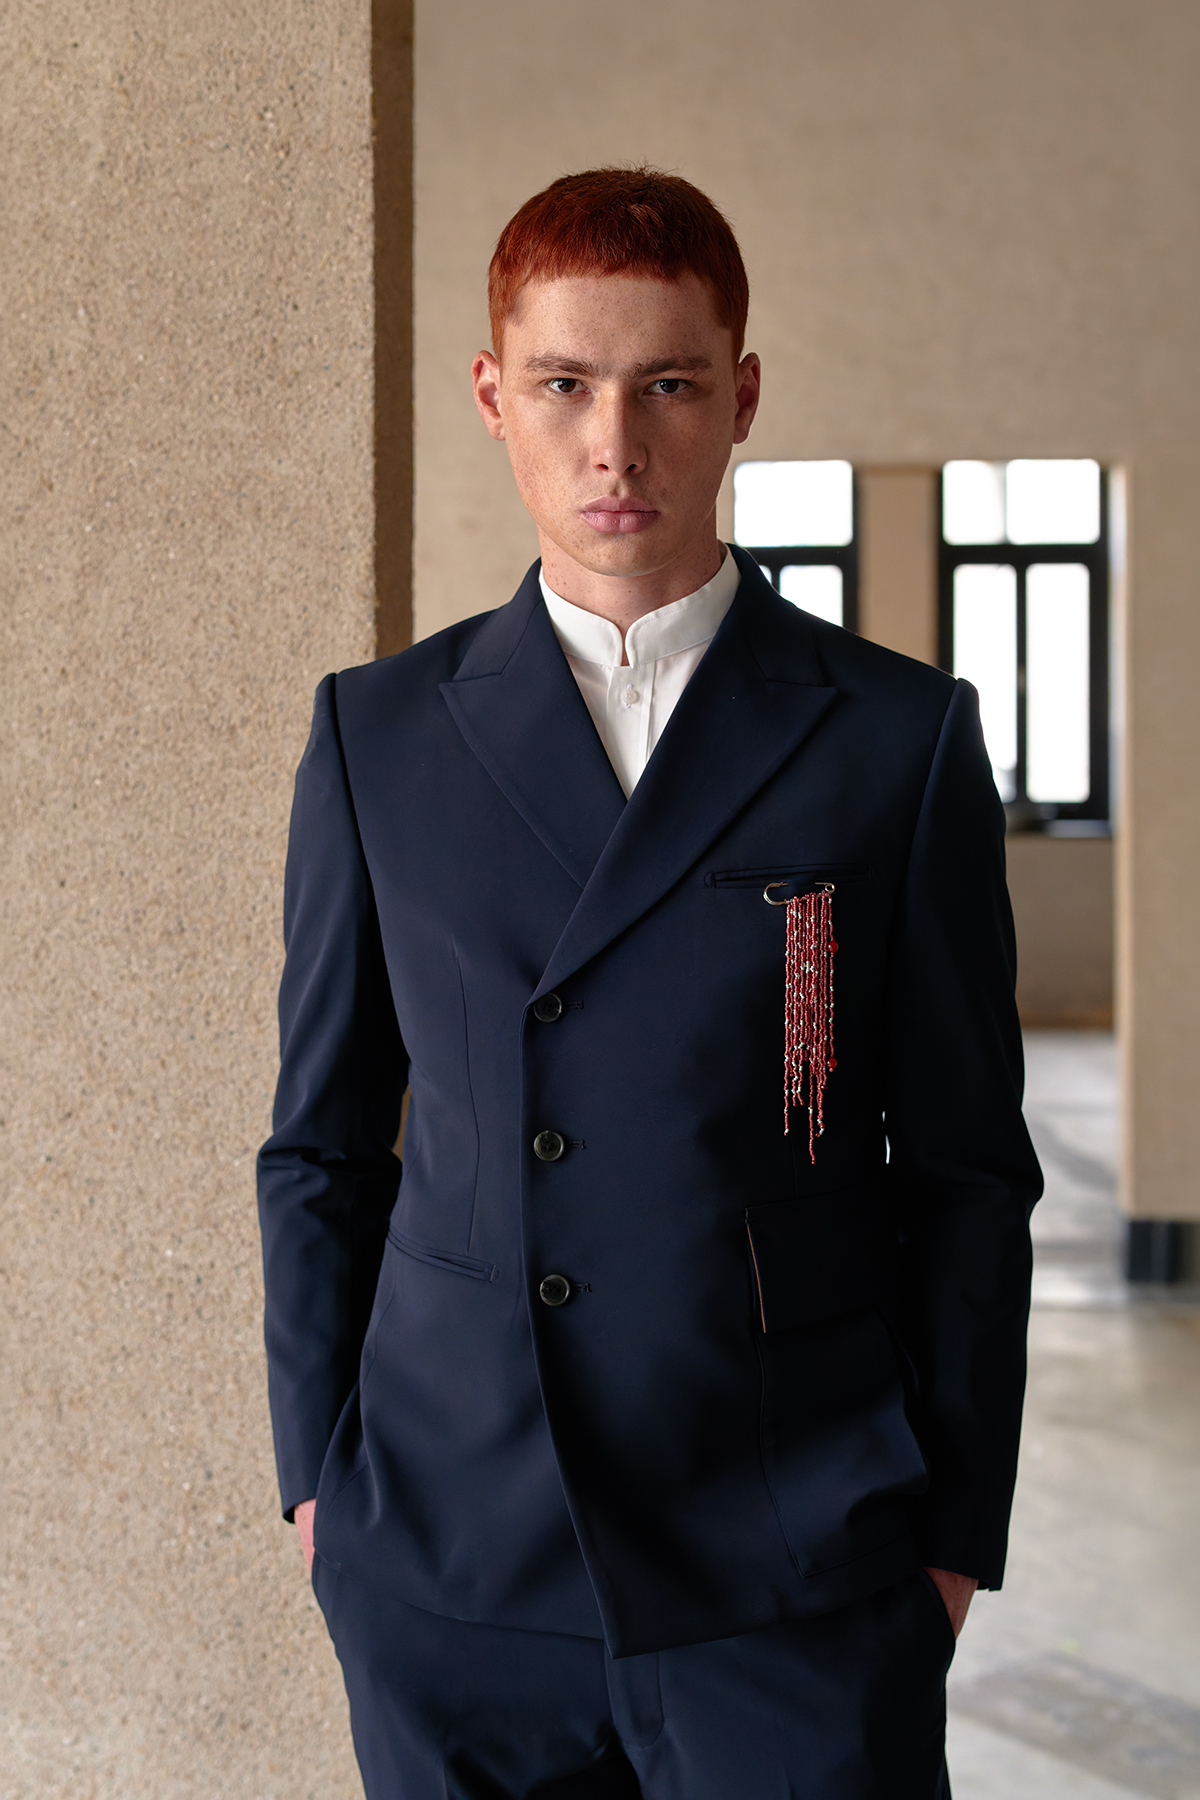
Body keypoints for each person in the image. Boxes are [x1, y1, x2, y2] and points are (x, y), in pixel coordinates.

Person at [257, 167, 1042, 1799]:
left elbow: (966, 1170)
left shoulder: (897, 740)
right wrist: (324, 1498)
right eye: (564, 385)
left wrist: (952, 1538)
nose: (613, 444)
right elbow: (322, 1146)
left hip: (797, 1560)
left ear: (739, 397)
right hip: (455, 1559)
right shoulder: (378, 737)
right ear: (495, 397)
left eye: (666, 385)